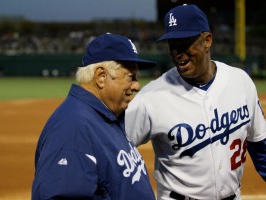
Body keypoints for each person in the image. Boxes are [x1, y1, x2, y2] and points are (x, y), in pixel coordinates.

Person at [125, 4, 266, 200]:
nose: (177, 52)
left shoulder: (240, 82)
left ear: (207, 41)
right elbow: (115, 150)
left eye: (184, 43)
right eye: (172, 45)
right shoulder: (150, 97)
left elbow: (261, 150)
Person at [31, 33, 157, 199]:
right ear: (101, 77)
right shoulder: (72, 128)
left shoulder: (106, 117)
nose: (137, 86)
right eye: (131, 77)